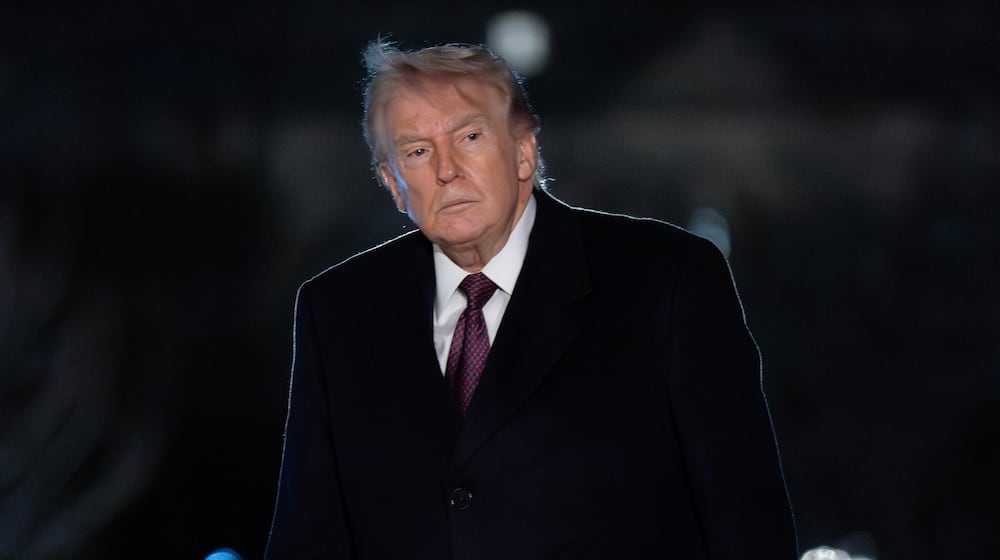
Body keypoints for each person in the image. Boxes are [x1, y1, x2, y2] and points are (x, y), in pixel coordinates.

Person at [265, 39, 798, 560]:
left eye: (469, 136)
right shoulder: (336, 311)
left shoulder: (667, 281)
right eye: (417, 151)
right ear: (392, 182)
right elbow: (308, 535)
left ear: (524, 151)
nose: (446, 169)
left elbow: (746, 524)